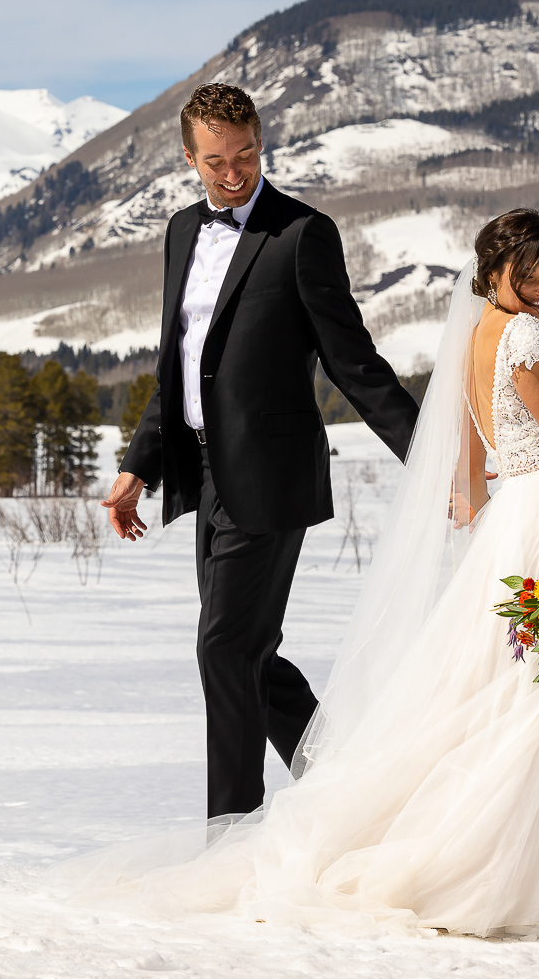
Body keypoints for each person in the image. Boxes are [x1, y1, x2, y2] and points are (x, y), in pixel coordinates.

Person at [71, 208, 539, 948]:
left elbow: (464, 441)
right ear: (500, 272)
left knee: (508, 691)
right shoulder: (524, 336)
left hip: (515, 521)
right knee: (538, 699)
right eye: (535, 275)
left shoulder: (476, 333)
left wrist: (477, 505)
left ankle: (529, 871)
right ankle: (500, 870)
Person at [100, 82, 421, 823]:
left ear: (261, 141)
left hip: (270, 479)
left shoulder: (302, 233)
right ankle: (344, 785)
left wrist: (430, 450)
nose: (234, 171)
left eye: (245, 154)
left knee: (222, 649)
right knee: (248, 655)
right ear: (189, 158)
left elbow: (353, 361)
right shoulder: (182, 231)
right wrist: (137, 466)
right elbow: (180, 366)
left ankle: (230, 834)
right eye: (216, 161)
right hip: (200, 476)